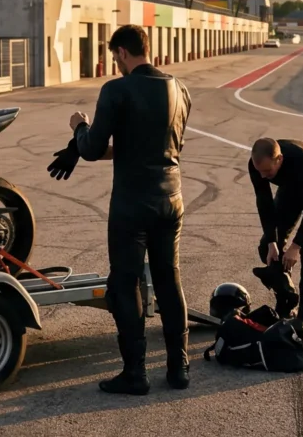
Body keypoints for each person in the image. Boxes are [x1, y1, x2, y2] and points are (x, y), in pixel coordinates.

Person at [69, 24, 193, 395]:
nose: (116, 65)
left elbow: (92, 148)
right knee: (169, 279)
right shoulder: (180, 89)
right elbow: (161, 145)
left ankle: (135, 374)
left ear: (122, 52)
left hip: (131, 202)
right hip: (172, 198)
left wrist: (79, 128)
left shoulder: (117, 89)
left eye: (115, 58)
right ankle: (179, 367)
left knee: (125, 283)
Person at [248, 138, 303, 336]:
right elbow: (264, 203)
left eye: (267, 172)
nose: (263, 176)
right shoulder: (258, 166)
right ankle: (287, 298)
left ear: (279, 159)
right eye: (259, 172)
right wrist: (271, 241)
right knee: (267, 248)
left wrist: (295, 246)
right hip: (290, 187)